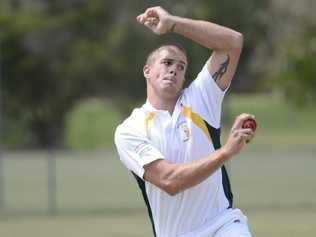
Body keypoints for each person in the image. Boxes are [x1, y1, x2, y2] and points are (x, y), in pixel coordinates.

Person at [114, 6, 256, 237]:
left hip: (224, 224)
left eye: (181, 67)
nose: (174, 70)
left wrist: (172, 24)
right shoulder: (130, 130)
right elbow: (170, 181)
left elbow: (233, 42)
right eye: (167, 63)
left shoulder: (200, 99)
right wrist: (227, 151)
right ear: (147, 71)